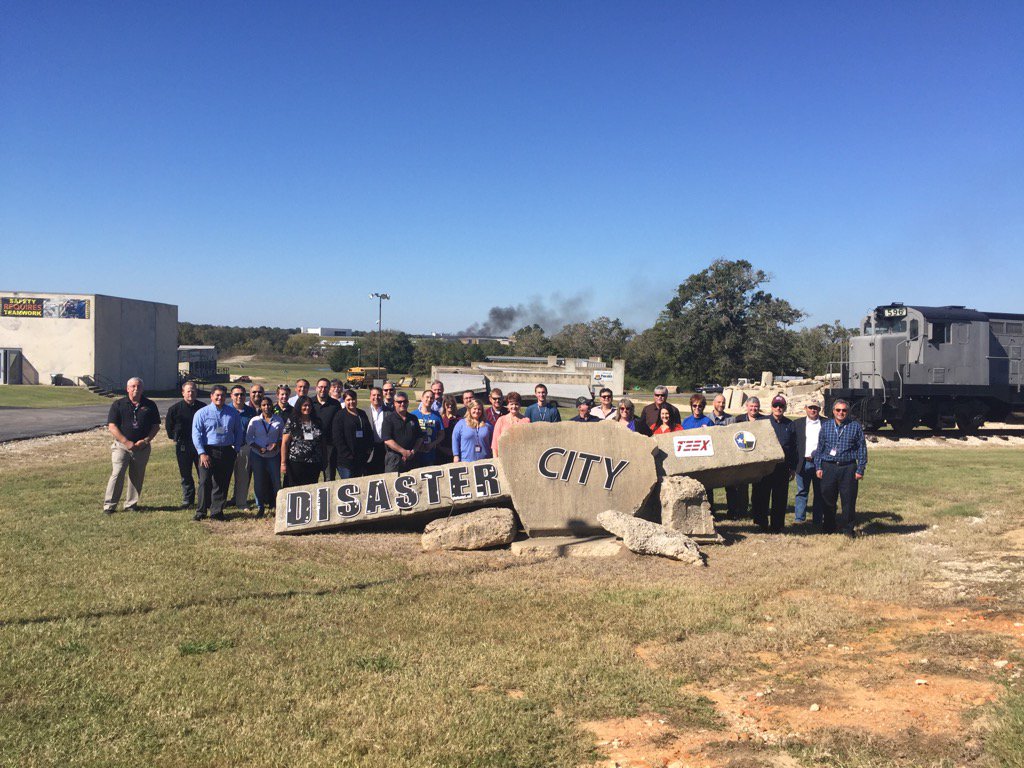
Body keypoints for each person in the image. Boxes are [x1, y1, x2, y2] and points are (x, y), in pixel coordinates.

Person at [103, 376, 161, 514]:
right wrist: (126, 442)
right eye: (133, 386)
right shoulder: (118, 404)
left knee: (137, 476)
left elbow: (155, 426)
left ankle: (131, 505)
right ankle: (109, 506)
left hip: (142, 447)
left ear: (142, 389)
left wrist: (146, 440)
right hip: (121, 447)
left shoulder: (150, 405)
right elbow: (112, 426)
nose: (136, 389)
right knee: (117, 474)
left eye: (139, 386)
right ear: (127, 388)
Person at [815, 398, 868, 537]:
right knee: (828, 499)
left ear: (848, 412)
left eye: (844, 410)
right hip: (829, 467)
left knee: (848, 500)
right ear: (833, 411)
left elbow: (862, 448)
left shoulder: (855, 426)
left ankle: (848, 529)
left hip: (848, 467)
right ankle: (828, 527)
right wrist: (818, 467)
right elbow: (820, 448)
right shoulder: (826, 426)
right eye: (838, 410)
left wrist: (860, 469)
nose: (841, 413)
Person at [192, 384, 244, 521]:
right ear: (212, 396)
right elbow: (196, 434)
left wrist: (236, 448)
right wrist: (202, 453)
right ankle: (201, 511)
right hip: (208, 450)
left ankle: (217, 511)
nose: (219, 398)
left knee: (222, 482)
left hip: (227, 450)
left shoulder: (232, 413)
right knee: (204, 481)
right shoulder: (202, 413)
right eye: (217, 395)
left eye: (222, 395)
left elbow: (239, 431)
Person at [753, 395, 799, 532]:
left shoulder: (790, 424)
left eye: (781, 406)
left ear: (784, 408)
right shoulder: (762, 421)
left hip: (782, 467)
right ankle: (761, 523)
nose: (778, 408)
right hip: (765, 467)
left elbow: (793, 447)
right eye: (775, 406)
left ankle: (777, 525)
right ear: (771, 407)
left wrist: (793, 468)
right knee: (763, 495)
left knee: (780, 497)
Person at [165, 380, 205, 509]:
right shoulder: (175, 409)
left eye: (193, 391)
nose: (191, 393)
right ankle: (188, 500)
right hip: (183, 446)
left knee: (203, 474)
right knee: (185, 474)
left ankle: (204, 499)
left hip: (200, 446)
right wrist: (176, 437)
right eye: (188, 391)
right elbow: (169, 427)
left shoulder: (203, 408)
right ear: (183, 393)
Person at [725, 397, 767, 518]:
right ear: (747, 407)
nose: (753, 408)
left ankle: (756, 511)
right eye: (751, 406)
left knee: (758, 486)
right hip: (742, 457)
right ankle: (742, 511)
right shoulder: (738, 419)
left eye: (756, 406)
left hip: (758, 457)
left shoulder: (764, 420)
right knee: (742, 486)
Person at [246, 395, 283, 517]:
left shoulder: (278, 420)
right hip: (258, 455)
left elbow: (282, 437)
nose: (266, 407)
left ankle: (279, 505)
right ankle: (260, 506)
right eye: (263, 405)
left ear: (272, 405)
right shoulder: (254, 420)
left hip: (274, 455)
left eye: (268, 404)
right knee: (258, 481)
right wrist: (258, 447)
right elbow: (249, 438)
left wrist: (276, 444)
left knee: (276, 481)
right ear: (260, 407)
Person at [280, 396, 325, 487]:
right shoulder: (292, 421)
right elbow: (285, 443)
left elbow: (322, 442)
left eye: (309, 405)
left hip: (314, 462)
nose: (307, 408)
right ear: (299, 406)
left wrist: (324, 460)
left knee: (310, 488)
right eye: (304, 405)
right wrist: (283, 463)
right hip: (296, 462)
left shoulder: (317, 421)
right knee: (294, 488)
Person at [794, 402, 825, 524]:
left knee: (819, 492)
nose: (813, 410)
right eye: (810, 408)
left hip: (820, 464)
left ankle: (817, 520)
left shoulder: (826, 423)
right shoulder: (797, 423)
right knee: (802, 492)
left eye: (816, 408)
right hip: (803, 462)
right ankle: (799, 519)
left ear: (819, 409)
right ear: (805, 408)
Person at [228, 384, 257, 511]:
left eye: (242, 394)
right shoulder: (226, 409)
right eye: (236, 394)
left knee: (243, 476)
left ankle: (241, 502)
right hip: (227, 447)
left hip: (244, 447)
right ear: (231, 396)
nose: (239, 397)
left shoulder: (250, 411)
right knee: (224, 476)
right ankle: (220, 501)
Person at [333, 388, 374, 478]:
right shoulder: (340, 415)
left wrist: (369, 449)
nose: (351, 402)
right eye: (348, 400)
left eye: (353, 399)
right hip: (346, 461)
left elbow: (369, 432)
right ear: (344, 401)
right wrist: (348, 455)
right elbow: (338, 438)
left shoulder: (362, 413)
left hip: (361, 458)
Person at [381, 391, 424, 472]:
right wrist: (403, 451)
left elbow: (420, 437)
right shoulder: (388, 420)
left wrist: (413, 452)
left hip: (412, 458)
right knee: (392, 483)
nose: (402, 404)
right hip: (394, 460)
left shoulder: (413, 418)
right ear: (394, 403)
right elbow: (387, 440)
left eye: (405, 401)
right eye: (399, 402)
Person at [312, 377, 341, 481]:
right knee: (312, 477)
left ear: (329, 389)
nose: (322, 389)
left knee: (329, 478)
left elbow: (338, 425)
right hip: (313, 446)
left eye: (325, 387)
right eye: (320, 387)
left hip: (329, 446)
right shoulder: (310, 403)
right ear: (316, 388)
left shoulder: (335, 404)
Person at [492, 391, 530, 456]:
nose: (514, 406)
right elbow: (495, 443)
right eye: (511, 404)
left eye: (516, 404)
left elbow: (528, 442)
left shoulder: (526, 421)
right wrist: (496, 460)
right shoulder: (501, 420)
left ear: (520, 405)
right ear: (507, 406)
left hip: (521, 455)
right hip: (504, 455)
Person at [412, 389, 445, 465]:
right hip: (416, 453)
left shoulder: (437, 416)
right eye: (427, 397)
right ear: (422, 398)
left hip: (430, 454)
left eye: (432, 398)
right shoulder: (413, 415)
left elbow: (442, 434)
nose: (429, 399)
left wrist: (433, 444)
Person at [365, 385, 389, 475]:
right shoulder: (364, 412)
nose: (376, 397)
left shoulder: (389, 412)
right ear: (370, 397)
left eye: (378, 395)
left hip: (384, 449)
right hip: (369, 450)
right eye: (373, 395)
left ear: (382, 396)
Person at [436, 394, 459, 464]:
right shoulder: (439, 418)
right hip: (440, 451)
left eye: (452, 404)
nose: (450, 406)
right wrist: (440, 448)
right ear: (444, 405)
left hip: (454, 452)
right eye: (448, 404)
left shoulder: (459, 419)